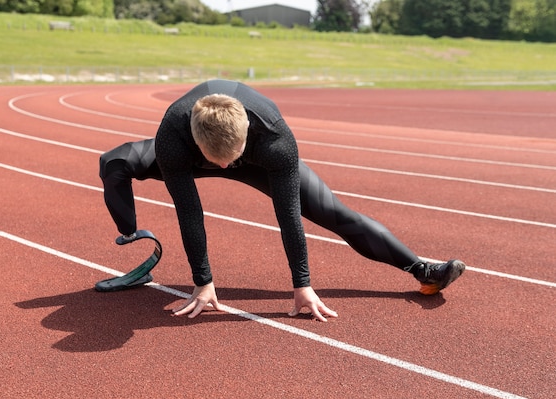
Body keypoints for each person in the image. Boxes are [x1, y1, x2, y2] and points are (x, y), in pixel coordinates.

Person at [99, 79, 465, 322]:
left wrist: (302, 284)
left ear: (247, 134)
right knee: (114, 162)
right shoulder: (173, 135)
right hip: (190, 154)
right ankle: (131, 236)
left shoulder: (274, 135)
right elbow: (190, 211)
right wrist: (203, 281)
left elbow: (289, 216)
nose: (226, 168)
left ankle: (423, 271)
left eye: (231, 159)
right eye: (217, 161)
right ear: (197, 142)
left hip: (261, 159)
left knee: (331, 210)